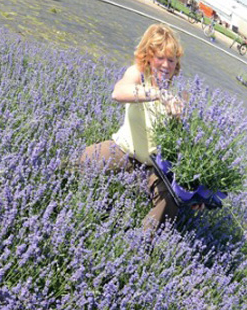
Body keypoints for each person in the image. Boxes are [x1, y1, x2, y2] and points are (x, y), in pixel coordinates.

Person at [79, 23, 189, 234]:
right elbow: (118, 93)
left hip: (155, 166)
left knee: (171, 201)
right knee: (85, 160)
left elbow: (184, 145)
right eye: (160, 57)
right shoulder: (139, 74)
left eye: (171, 60)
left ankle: (141, 244)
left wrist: (195, 191)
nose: (166, 65)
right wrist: (158, 94)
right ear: (148, 56)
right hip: (124, 150)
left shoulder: (181, 93)